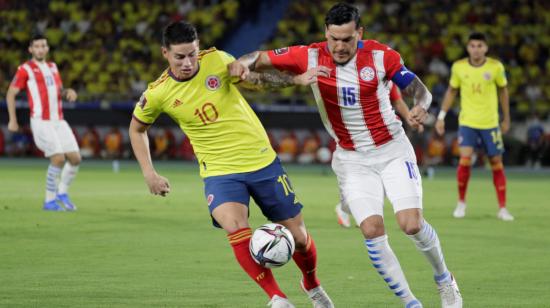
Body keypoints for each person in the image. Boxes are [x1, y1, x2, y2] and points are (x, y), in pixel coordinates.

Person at [229, 3, 462, 307]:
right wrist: (238, 64)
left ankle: (445, 280)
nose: (339, 46)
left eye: (347, 39)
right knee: (371, 229)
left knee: (411, 224)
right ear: (326, 33)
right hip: (351, 159)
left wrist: (420, 106)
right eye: (334, 38)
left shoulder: (381, 56)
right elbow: (257, 59)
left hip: (392, 149)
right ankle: (411, 303)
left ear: (359, 33)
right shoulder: (309, 55)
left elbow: (419, 89)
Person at [128, 21, 334, 308]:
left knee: (298, 237)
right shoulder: (158, 93)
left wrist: (295, 80)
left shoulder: (218, 60)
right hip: (220, 171)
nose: (188, 63)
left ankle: (311, 283)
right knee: (235, 226)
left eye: (192, 54)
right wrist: (149, 173)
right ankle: (277, 298)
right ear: (165, 53)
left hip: (261, 160)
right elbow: (137, 129)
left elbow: (256, 82)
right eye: (180, 57)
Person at [435, 32, 514, 221]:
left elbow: (503, 92)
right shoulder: (459, 67)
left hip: (490, 123)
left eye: (480, 46)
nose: (476, 49)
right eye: (472, 46)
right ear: (467, 48)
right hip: (468, 122)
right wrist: (441, 116)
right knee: (465, 159)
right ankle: (461, 203)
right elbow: (451, 91)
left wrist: (506, 118)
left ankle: (502, 208)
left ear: (486, 48)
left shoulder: (495, 67)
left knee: (496, 162)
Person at [6, 34, 81, 211]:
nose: (40, 49)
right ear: (30, 49)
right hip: (41, 121)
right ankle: (49, 201)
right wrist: (12, 119)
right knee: (58, 158)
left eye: (43, 46)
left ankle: (62, 192)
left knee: (75, 159)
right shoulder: (25, 69)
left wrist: (68, 92)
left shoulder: (53, 67)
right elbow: (11, 93)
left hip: (59, 120)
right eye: (36, 46)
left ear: (47, 48)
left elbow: (59, 90)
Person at [335, 82, 424, 228]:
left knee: (380, 182)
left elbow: (397, 100)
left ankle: (366, 214)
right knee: (363, 183)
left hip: (382, 139)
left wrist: (409, 117)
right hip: (355, 137)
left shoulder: (385, 74)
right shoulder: (350, 75)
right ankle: (345, 207)